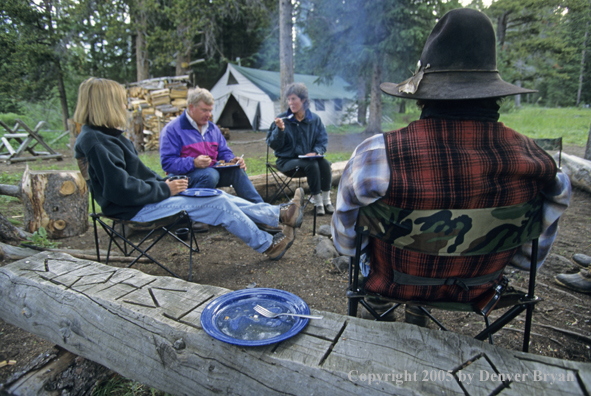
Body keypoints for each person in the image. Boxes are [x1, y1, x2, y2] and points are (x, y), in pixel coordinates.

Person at [331, 8, 571, 317]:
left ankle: (385, 307)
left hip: (394, 282)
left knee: (376, 270)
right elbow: (529, 260)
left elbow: (347, 244)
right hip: (480, 287)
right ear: (493, 93)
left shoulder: (375, 156)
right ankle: (418, 312)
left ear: (424, 95)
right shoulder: (543, 168)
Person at [74, 77, 304, 261]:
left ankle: (280, 214)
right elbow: (120, 190)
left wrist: (164, 185)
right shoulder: (96, 141)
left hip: (145, 197)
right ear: (107, 105)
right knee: (218, 202)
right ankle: (268, 245)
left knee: (216, 193)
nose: (124, 106)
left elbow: (136, 177)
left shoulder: (108, 136)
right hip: (132, 208)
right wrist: (166, 188)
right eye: (120, 101)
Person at [159, 87, 279, 233]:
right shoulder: (172, 129)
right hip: (183, 179)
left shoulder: (212, 129)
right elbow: (167, 163)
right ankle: (199, 218)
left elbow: (223, 152)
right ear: (191, 107)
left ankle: (263, 214)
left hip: (209, 174)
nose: (209, 115)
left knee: (237, 171)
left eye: (210, 110)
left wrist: (233, 160)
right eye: (204, 110)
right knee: (210, 174)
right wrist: (193, 162)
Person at [267, 82, 334, 216]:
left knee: (325, 164)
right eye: (289, 99)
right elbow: (273, 144)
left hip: (308, 160)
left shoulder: (314, 119)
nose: (290, 103)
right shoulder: (282, 119)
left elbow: (322, 140)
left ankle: (327, 201)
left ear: (303, 100)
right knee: (312, 164)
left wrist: (315, 152)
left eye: (294, 99)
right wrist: (280, 130)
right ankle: (317, 203)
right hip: (286, 161)